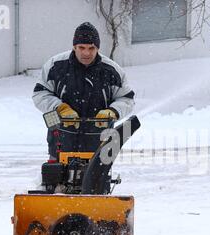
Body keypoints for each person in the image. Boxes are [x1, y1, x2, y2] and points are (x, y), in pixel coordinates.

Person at [32, 22, 135, 158]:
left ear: (97, 48)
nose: (86, 53)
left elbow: (126, 99)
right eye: (81, 47)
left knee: (96, 179)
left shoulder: (111, 71)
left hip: (100, 143)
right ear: (74, 47)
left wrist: (113, 111)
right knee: (54, 177)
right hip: (61, 140)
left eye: (91, 48)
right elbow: (40, 94)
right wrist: (60, 108)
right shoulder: (55, 66)